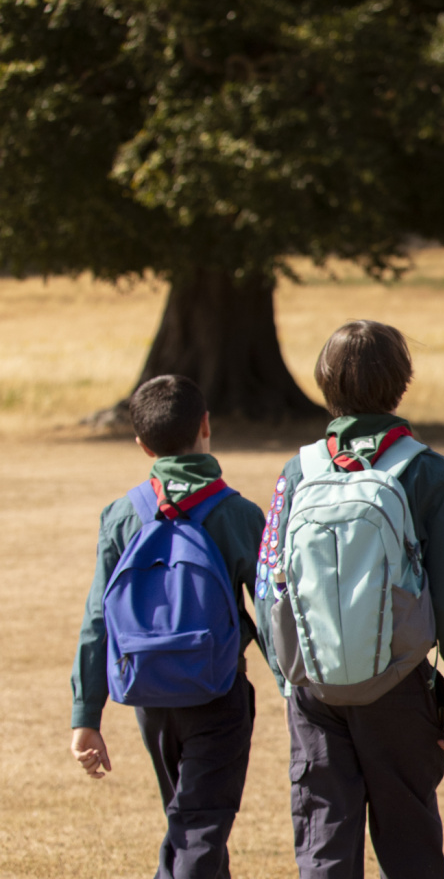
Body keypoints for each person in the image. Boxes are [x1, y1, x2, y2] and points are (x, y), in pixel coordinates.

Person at [257, 320, 444, 878]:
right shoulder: (429, 471)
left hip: (314, 687)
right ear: (401, 382)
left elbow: (269, 583)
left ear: (324, 383)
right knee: (409, 841)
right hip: (399, 682)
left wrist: (289, 673)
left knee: (324, 843)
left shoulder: (298, 470)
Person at [68, 374, 267, 879]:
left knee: (191, 822)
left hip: (150, 696)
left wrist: (86, 714)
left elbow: (98, 618)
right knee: (199, 826)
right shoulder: (238, 514)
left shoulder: (121, 515)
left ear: (141, 444)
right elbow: (274, 613)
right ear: (206, 425)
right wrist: (299, 687)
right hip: (217, 692)